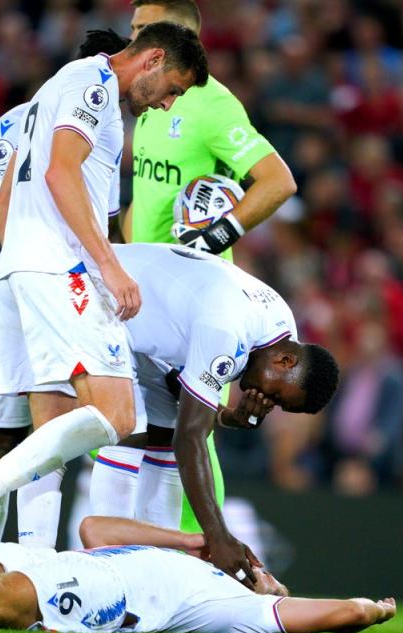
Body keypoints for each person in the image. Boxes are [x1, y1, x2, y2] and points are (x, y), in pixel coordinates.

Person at [0, 23, 208, 548]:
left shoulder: (57, 88)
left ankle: (32, 572)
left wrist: (18, 265)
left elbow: (11, 191)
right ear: (151, 59)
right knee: (119, 414)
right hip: (62, 270)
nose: (168, 103)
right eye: (173, 87)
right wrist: (106, 266)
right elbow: (60, 175)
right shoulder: (95, 86)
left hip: (28, 268)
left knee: (50, 432)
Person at [0, 243, 339, 586]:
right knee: (112, 421)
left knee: (157, 431)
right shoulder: (229, 330)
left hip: (135, 327)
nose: (266, 401)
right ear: (285, 360)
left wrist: (233, 417)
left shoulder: (278, 325)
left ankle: (149, 574)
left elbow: (183, 405)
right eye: (277, 396)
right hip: (88, 290)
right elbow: (192, 438)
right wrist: (218, 537)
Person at [115, 0, 299, 539]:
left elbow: (277, 181)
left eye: (139, 30)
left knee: (192, 432)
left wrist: (218, 235)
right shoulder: (146, 101)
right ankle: (140, 556)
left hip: (193, 297)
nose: (129, 40)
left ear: (170, 38)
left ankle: (207, 554)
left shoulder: (214, 107)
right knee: (138, 429)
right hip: (137, 288)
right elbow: (145, 194)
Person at [0, 30, 130, 548]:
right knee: (9, 436)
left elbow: (104, 221)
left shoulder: (90, 122)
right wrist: (32, 276)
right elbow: (0, 211)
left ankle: (22, 565)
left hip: (53, 288)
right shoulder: (23, 119)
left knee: (47, 429)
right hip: (28, 287)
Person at [0, 492, 396, 633]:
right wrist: (194, 539)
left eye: (266, 569)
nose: (258, 567)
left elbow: (333, 612)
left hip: (108, 593)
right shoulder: (190, 557)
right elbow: (94, 529)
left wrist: (367, 610)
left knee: (12, 591)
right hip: (77, 557)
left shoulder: (232, 605)